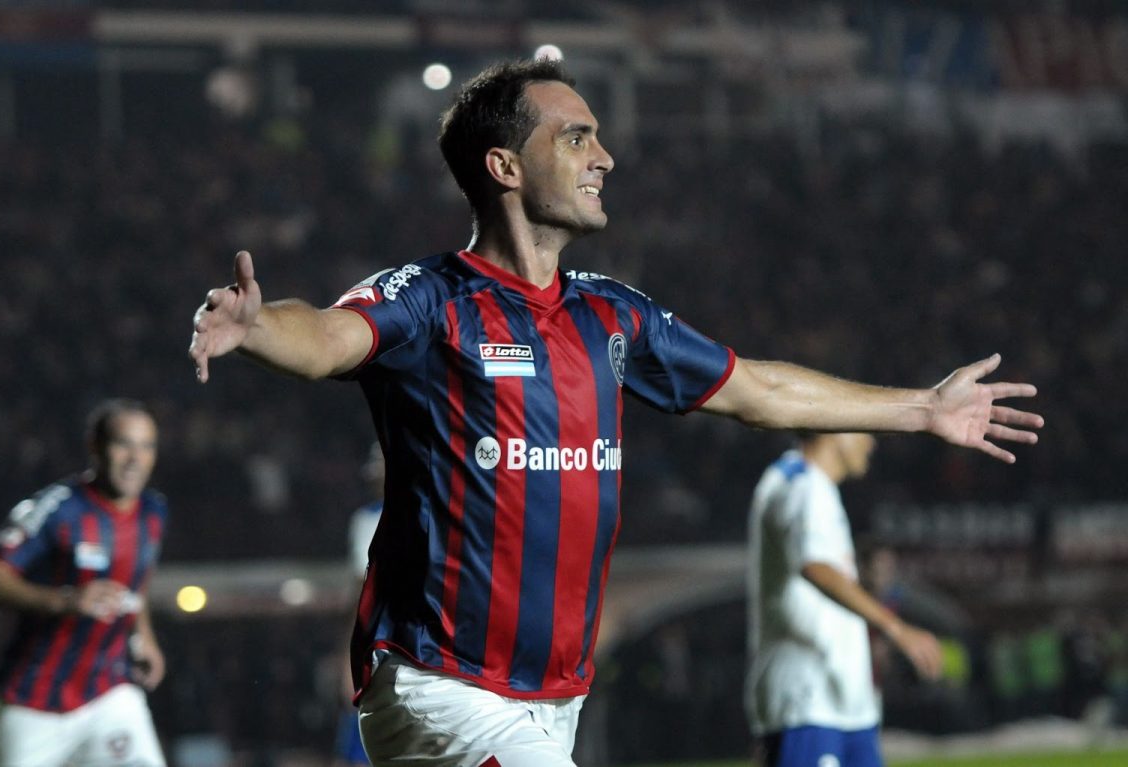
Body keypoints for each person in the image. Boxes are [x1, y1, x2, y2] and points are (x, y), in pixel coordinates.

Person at [187, 59, 1042, 767]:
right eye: (577, 137)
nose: (606, 156)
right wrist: (258, 326)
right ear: (505, 167)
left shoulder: (610, 314)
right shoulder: (434, 299)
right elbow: (327, 336)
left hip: (554, 697)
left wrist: (924, 408)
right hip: (443, 685)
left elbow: (758, 389)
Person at [0, 399, 168, 767]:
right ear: (95, 447)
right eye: (123, 444)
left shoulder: (153, 512)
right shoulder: (57, 510)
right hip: (31, 703)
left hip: (108, 694)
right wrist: (66, 601)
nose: (135, 459)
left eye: (146, 447)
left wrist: (144, 637)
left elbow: (136, 582)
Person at [744, 433, 943, 767]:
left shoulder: (814, 486)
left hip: (844, 704)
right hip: (808, 701)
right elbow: (815, 565)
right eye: (864, 429)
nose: (871, 443)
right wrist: (896, 628)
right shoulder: (802, 486)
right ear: (835, 432)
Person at [332, 443, 384, 767]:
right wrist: (345, 660)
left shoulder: (434, 514)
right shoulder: (365, 521)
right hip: (374, 648)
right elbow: (358, 597)